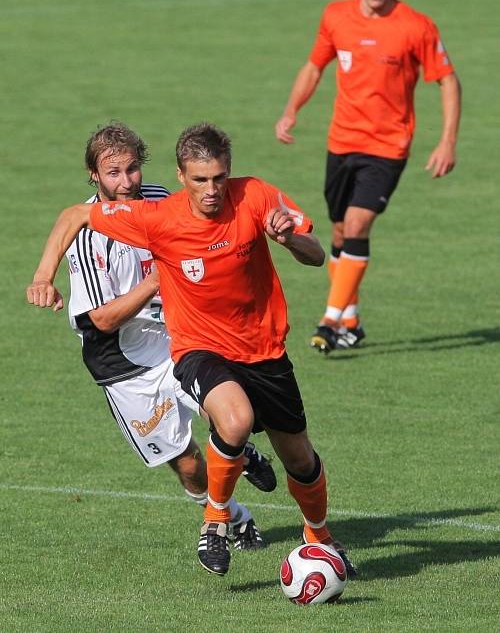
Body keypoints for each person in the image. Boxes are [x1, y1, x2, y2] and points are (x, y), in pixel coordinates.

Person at [27, 122, 357, 578]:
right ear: (184, 175)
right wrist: (45, 278)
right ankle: (221, 519)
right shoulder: (144, 221)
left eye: (218, 178)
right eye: (200, 179)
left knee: (298, 456)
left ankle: (318, 537)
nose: (211, 189)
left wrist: (289, 239)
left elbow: (317, 255)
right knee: (211, 439)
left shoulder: (245, 196)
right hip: (137, 355)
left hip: (256, 345)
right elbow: (99, 313)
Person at [45, 123, 277, 552]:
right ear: (94, 175)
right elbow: (103, 321)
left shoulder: (159, 201)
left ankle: (234, 467)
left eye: (132, 169)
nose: (126, 181)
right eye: (113, 173)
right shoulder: (89, 238)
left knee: (226, 410)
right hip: (122, 361)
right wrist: (155, 283)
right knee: (187, 464)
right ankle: (239, 513)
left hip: (177, 337)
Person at [275, 0, 461, 354]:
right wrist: (291, 110)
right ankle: (351, 322)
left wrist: (447, 140)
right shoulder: (335, 16)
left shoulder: (417, 26)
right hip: (341, 141)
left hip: (388, 145)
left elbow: (448, 80)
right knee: (340, 230)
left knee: (358, 226)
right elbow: (314, 65)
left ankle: (330, 320)